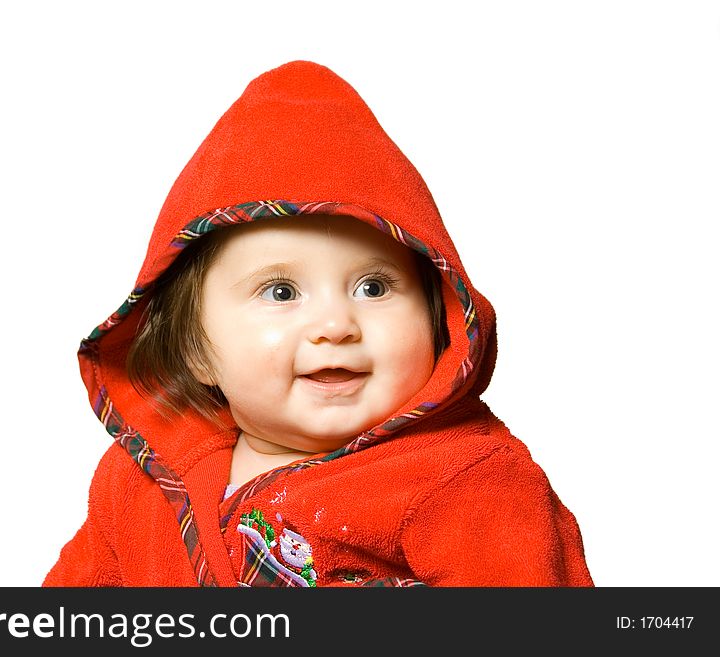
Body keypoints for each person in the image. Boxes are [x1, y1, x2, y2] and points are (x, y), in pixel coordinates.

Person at [43, 60, 593, 587]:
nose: (335, 325)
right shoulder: (142, 480)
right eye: (280, 291)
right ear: (195, 350)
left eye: (374, 288)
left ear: (440, 317)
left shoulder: (470, 482)